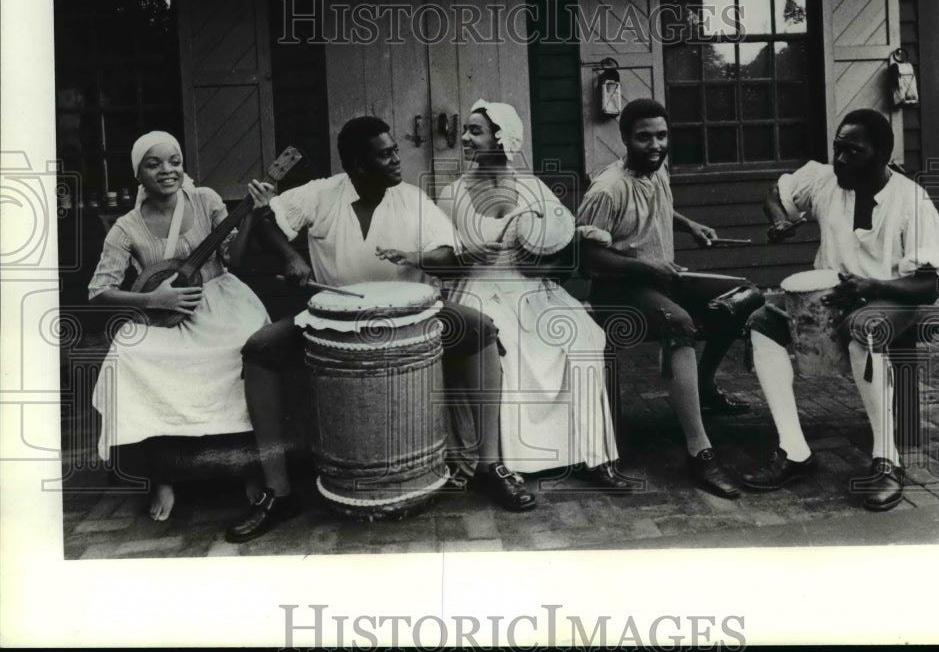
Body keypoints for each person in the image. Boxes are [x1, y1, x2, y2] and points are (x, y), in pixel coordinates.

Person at [226, 116, 537, 544]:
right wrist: (290, 259)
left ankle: (489, 466)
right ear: (357, 163)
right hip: (334, 323)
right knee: (259, 351)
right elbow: (266, 219)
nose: (397, 159)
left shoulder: (411, 199)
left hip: (414, 319)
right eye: (386, 153)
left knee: (481, 331)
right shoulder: (322, 193)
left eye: (395, 150)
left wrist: (415, 255)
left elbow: (450, 255)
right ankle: (278, 492)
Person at [743, 108, 939, 511]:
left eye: (851, 152)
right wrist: (780, 221)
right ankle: (795, 450)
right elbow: (777, 194)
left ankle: (887, 460)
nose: (839, 159)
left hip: (892, 296)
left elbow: (927, 285)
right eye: (837, 148)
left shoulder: (911, 199)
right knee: (761, 323)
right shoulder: (825, 181)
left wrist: (872, 287)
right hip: (834, 296)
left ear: (881, 155)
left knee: (866, 328)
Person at [429, 99, 632, 491]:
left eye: (476, 131)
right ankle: (504, 464)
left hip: (530, 286)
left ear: (502, 139)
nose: (466, 139)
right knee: (503, 340)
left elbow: (565, 243)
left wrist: (543, 268)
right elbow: (443, 259)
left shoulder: (531, 186)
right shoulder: (453, 194)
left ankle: (597, 454)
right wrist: (468, 255)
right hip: (479, 285)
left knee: (583, 334)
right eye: (466, 131)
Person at [575, 98, 759, 499]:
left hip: (660, 279)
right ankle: (700, 450)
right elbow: (586, 258)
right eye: (643, 137)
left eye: (661, 135)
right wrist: (647, 268)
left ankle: (705, 387)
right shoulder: (607, 190)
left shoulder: (657, 170)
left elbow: (653, 205)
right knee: (678, 323)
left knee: (745, 295)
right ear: (624, 139)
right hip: (618, 291)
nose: (655, 145)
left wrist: (689, 224)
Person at [88, 131, 271, 521]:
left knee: (244, 348)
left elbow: (234, 259)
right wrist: (153, 300)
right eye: (153, 164)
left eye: (174, 160)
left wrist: (252, 213)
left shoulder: (206, 201)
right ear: (138, 173)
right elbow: (99, 291)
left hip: (222, 303)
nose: (167, 170)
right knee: (129, 357)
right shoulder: (126, 227)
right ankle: (163, 476)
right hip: (164, 316)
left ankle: (248, 469)